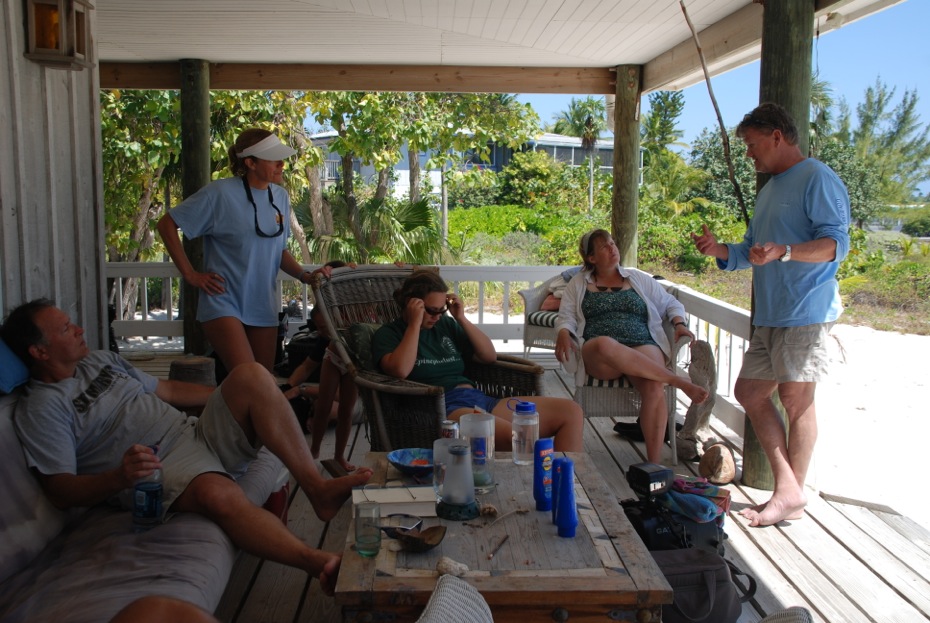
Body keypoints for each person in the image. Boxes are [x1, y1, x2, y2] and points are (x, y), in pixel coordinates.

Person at [1, 299, 373, 596]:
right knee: (218, 494)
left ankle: (317, 489)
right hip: (157, 466)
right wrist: (119, 478)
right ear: (40, 352)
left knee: (253, 374)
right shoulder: (41, 408)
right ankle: (317, 562)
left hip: (192, 431)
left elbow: (170, 391)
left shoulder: (100, 360)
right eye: (66, 328)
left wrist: (236, 399)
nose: (79, 329)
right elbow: (60, 489)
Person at [691, 102, 850, 527]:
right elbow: (750, 252)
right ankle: (791, 490)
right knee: (749, 392)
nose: (748, 154)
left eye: (752, 143)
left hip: (806, 309)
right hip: (771, 314)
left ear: (777, 136)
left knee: (797, 400)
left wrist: (787, 252)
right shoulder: (769, 189)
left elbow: (836, 244)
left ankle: (787, 494)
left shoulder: (816, 177)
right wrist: (719, 250)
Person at [156, 128, 334, 374]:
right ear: (250, 162)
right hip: (223, 301)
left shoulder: (280, 197)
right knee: (248, 376)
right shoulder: (218, 193)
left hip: (262, 303)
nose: (282, 164)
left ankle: (220, 411)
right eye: (274, 159)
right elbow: (166, 224)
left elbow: (278, 251)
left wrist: (305, 276)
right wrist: (190, 274)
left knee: (262, 380)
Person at [371, 271, 584, 452]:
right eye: (430, 310)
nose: (436, 316)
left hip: (478, 399)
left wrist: (460, 318)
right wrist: (414, 325)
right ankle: (548, 482)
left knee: (570, 412)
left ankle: (569, 485)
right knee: (523, 439)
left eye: (440, 309)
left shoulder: (445, 325)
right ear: (411, 305)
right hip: (444, 408)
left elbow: (488, 355)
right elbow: (399, 370)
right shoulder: (389, 334)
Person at [554, 229, 709, 463]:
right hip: (601, 355)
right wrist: (564, 332)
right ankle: (676, 380)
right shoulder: (578, 284)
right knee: (606, 344)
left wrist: (679, 324)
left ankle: (653, 464)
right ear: (592, 258)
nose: (612, 248)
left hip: (641, 344)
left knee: (654, 388)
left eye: (613, 243)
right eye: (604, 246)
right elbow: (565, 315)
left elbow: (670, 303)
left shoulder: (637, 278)